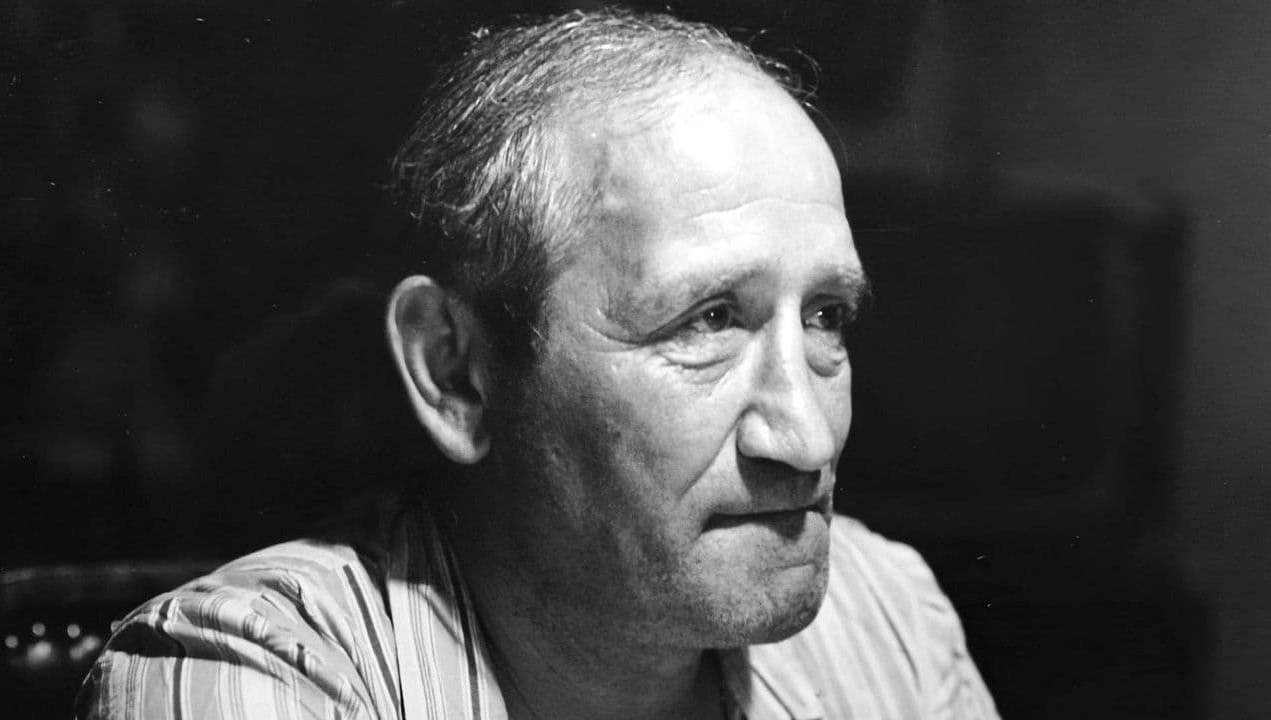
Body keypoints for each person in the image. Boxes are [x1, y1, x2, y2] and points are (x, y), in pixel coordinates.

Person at [78, 9, 998, 719]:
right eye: (708, 321)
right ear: (456, 374)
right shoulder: (258, 674)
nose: (806, 439)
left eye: (828, 317)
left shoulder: (890, 618)